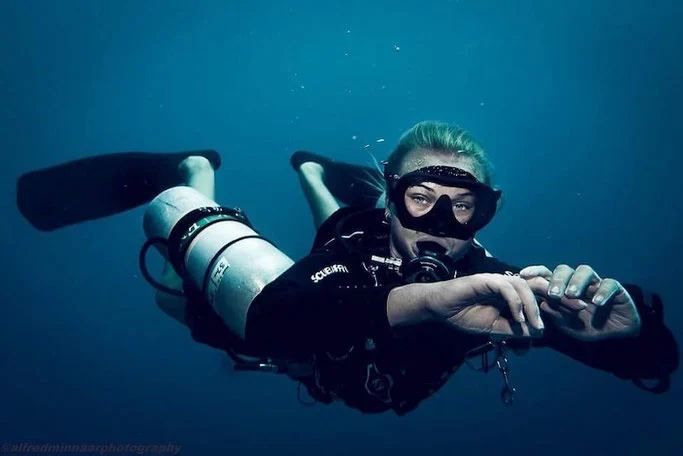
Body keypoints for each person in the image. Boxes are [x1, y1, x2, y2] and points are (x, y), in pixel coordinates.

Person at [16, 121, 679, 416]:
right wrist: (427, 303)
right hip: (308, 319)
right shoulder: (358, 245)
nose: (439, 226)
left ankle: (310, 168)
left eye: (463, 206)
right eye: (421, 198)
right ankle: (198, 177)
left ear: (485, 215)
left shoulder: (501, 286)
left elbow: (651, 364)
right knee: (183, 302)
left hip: (342, 371)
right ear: (390, 202)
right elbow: (276, 318)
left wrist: (622, 334)